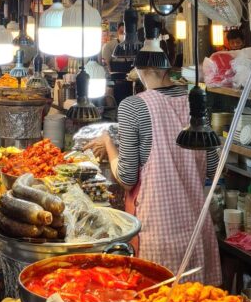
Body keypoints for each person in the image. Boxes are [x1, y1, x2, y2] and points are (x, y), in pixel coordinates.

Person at [88, 57, 221, 285]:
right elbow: (213, 168)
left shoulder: (133, 106)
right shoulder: (197, 102)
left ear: (139, 68)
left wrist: (109, 144)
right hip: (198, 235)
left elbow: (127, 179)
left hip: (159, 237)